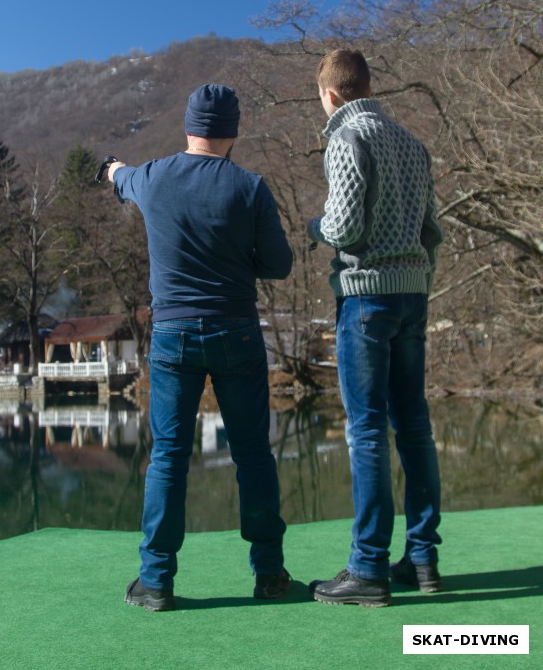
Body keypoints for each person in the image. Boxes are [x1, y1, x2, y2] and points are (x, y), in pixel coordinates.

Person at [107, 83, 293, 612]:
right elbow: (279, 265)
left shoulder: (153, 177)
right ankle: (270, 573)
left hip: (172, 336)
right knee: (253, 453)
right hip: (236, 331)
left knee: (168, 456)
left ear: (188, 127)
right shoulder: (250, 187)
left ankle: (156, 581)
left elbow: (120, 178)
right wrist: (241, 263)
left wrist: (111, 169)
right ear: (233, 131)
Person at [307, 49, 444, 607]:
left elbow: (343, 227)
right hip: (413, 295)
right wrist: (417, 275)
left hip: (366, 299)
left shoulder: (346, 137)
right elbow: (432, 230)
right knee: (414, 427)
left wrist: (313, 224)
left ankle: (367, 568)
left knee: (366, 430)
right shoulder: (413, 144)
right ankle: (422, 559)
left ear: (332, 95)